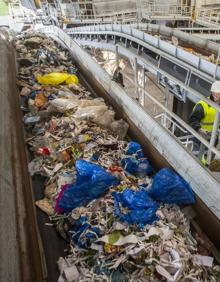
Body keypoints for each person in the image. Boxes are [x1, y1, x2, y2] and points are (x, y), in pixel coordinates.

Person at [189, 81, 220, 162]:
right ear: (213, 93)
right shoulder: (203, 105)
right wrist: (200, 129)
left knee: (208, 159)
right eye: (217, 93)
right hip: (200, 137)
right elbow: (193, 120)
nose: (218, 95)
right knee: (198, 159)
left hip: (213, 138)